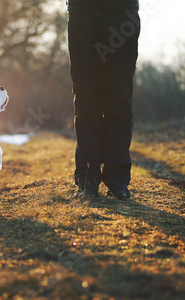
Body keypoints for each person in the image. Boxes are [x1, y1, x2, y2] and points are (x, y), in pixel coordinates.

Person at [67, 0, 140, 199]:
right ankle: (87, 178)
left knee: (119, 99)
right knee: (85, 100)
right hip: (82, 14)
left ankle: (117, 178)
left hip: (121, 13)